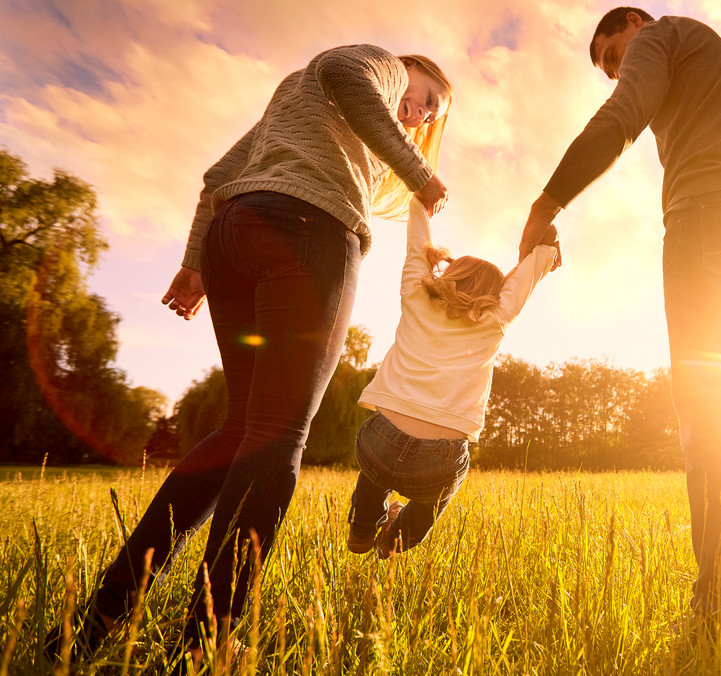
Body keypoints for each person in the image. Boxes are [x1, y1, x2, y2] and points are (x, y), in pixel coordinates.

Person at [47, 45, 453, 666]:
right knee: (278, 434)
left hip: (232, 236)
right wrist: (419, 172)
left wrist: (193, 264)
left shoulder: (303, 106)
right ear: (406, 68)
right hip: (309, 233)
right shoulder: (376, 64)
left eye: (430, 115)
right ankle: (205, 643)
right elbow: (347, 73)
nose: (419, 113)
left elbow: (217, 176)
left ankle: (103, 612)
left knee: (240, 428)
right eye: (425, 96)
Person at [518, 8, 721, 631]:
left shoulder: (662, 36)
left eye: (617, 55)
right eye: (610, 67)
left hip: (709, 224)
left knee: (712, 412)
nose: (618, 71)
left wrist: (546, 202)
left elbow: (621, 118)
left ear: (637, 24)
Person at [344, 195, 558, 559]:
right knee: (431, 502)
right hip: (438, 459)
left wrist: (420, 200)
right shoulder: (496, 318)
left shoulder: (415, 294)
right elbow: (531, 269)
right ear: (495, 294)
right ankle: (395, 541)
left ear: (449, 273)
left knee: (375, 472)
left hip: (380, 439)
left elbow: (417, 245)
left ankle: (363, 529)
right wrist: (545, 247)